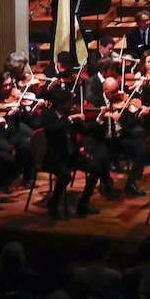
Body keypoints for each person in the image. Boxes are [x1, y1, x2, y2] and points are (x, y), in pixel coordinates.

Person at [41, 89, 106, 218]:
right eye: (69, 103)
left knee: (96, 168)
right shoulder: (48, 115)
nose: (72, 105)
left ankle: (83, 203)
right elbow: (52, 129)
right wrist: (70, 119)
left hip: (70, 155)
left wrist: (99, 119)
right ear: (60, 104)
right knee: (65, 176)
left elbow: (86, 131)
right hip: (54, 158)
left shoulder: (69, 116)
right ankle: (53, 204)